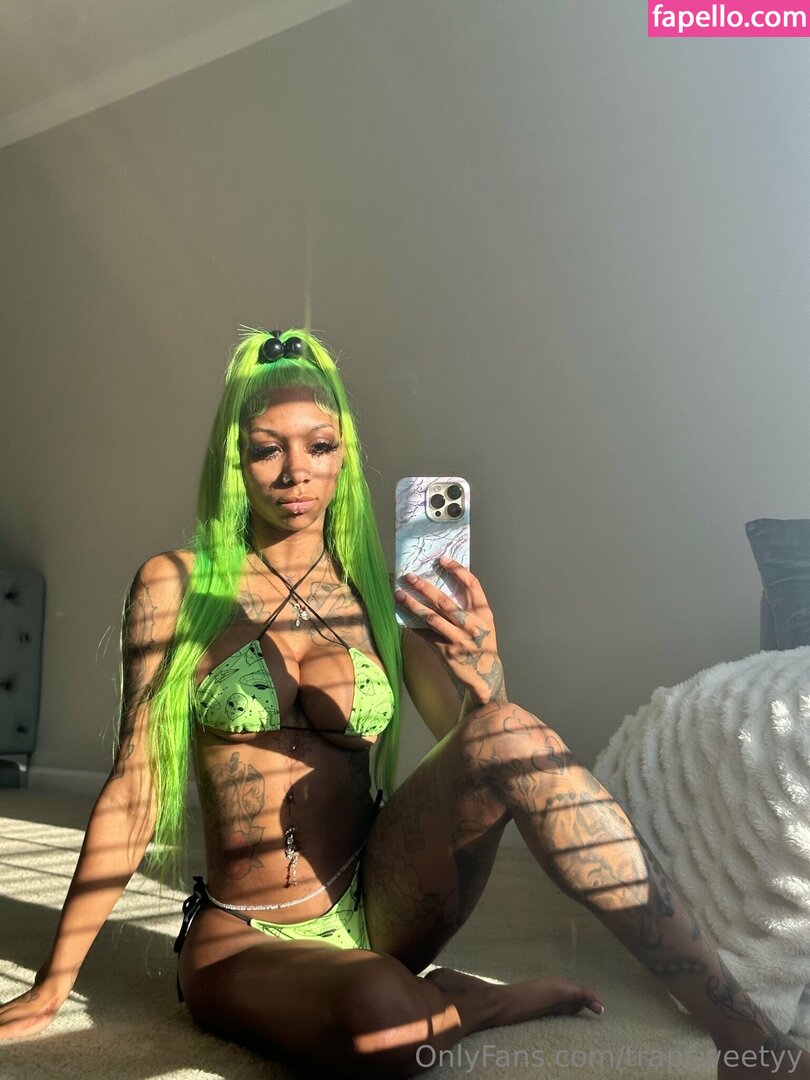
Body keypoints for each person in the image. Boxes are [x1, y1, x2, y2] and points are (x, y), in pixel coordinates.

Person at [0, 328, 806, 1079]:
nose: (296, 473)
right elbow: (134, 789)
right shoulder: (175, 585)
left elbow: (481, 751)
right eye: (267, 450)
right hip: (246, 931)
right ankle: (469, 1002)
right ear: (233, 461)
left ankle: (746, 1039)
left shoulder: (383, 599)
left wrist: (484, 673)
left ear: (344, 456)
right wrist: (52, 984)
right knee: (385, 1025)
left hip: (382, 901)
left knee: (511, 732)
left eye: (319, 447)